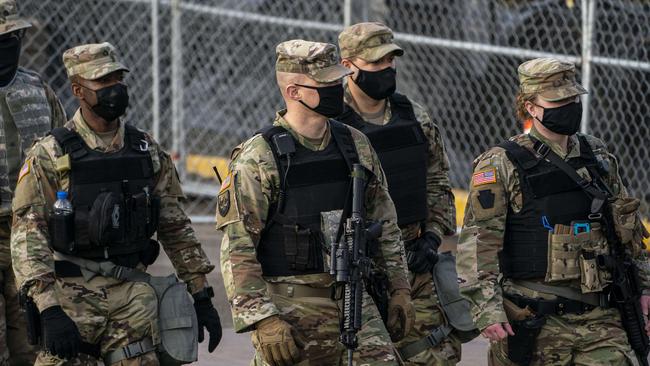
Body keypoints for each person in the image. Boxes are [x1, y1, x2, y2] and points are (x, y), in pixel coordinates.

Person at [10, 42, 222, 365]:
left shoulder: (145, 150)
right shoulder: (50, 155)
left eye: (117, 80)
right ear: (78, 90)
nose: (114, 90)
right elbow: (28, 238)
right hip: (72, 301)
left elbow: (175, 225)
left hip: (134, 302)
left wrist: (201, 292)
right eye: (103, 83)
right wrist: (48, 307)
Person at [218, 39, 415, 366]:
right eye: (325, 84)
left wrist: (399, 289)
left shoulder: (354, 144)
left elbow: (386, 221)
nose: (337, 88)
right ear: (294, 91)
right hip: (291, 308)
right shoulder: (258, 159)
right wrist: (263, 319)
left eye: (337, 81)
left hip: (355, 301)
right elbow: (238, 248)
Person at [456, 57, 650, 365]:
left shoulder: (597, 156)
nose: (569, 105)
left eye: (573, 98)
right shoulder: (501, 163)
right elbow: (479, 245)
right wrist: (486, 309)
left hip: (601, 317)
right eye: (557, 100)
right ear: (531, 106)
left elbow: (628, 231)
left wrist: (645, 288)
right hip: (534, 317)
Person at [337, 22, 461, 365]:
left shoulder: (414, 115)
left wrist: (433, 238)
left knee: (435, 355)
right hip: (353, 265)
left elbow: (437, 181)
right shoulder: (330, 122)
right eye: (376, 63)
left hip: (412, 259)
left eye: (390, 61)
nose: (386, 70)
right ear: (348, 65)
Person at [0, 1, 67, 364]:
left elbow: (62, 158)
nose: (7, 46)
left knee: (32, 338)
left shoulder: (39, 90)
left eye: (14, 37)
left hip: (30, 234)